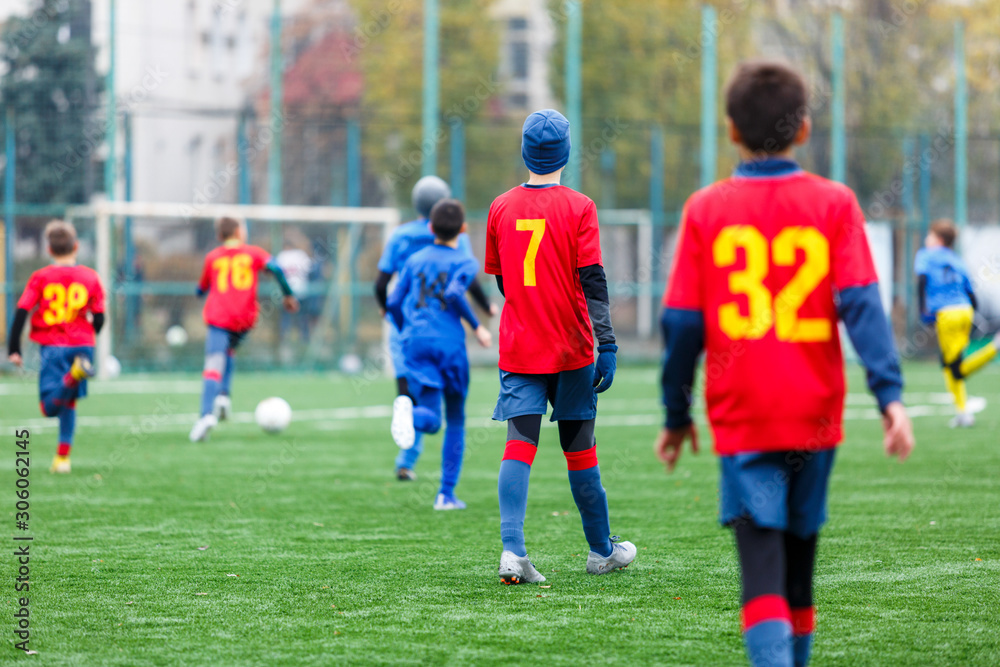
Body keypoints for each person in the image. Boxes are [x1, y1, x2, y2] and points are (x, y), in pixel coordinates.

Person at [655, 61, 915, 667]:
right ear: (804, 130)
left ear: (730, 131)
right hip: (814, 412)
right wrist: (890, 398)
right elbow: (862, 307)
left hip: (744, 413)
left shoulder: (705, 209)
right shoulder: (835, 203)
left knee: (763, 570)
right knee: (800, 569)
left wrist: (675, 414)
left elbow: (683, 324)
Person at [485, 109, 636, 585]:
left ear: (525, 151)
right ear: (566, 154)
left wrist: (530, 310)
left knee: (519, 447)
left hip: (520, 348)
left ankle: (513, 552)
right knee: (581, 453)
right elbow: (593, 280)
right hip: (571, 349)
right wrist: (606, 343)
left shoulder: (500, 207)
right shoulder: (580, 207)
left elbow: (506, 281)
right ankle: (600, 551)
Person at [374, 175, 498, 481]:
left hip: (408, 326)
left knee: (409, 396)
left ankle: (406, 461)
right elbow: (465, 279)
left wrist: (389, 313)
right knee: (449, 414)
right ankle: (427, 475)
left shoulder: (401, 236)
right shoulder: (460, 238)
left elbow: (382, 284)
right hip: (445, 332)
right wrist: (484, 311)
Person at [7, 220, 105, 473]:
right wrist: (89, 334)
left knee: (48, 408)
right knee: (69, 403)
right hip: (83, 345)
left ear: (49, 250)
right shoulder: (90, 276)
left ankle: (73, 376)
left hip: (53, 346)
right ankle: (62, 458)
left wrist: (13, 347)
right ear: (77, 246)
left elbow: (22, 311)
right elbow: (100, 316)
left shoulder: (41, 277)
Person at [189, 217, 299, 442]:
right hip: (245, 319)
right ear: (239, 232)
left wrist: (200, 292)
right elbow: (276, 268)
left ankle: (205, 415)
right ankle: (224, 396)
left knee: (213, 365)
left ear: (220, 235)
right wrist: (288, 294)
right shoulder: (254, 253)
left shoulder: (213, 257)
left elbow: (201, 288)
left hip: (220, 317)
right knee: (229, 350)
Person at [915, 219, 999, 427]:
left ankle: (994, 347)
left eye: (930, 235)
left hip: (947, 315)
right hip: (964, 311)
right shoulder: (956, 259)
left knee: (956, 369)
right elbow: (970, 290)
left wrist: (923, 310)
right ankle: (963, 413)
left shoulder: (925, 255)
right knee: (948, 363)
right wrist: (973, 311)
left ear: (939, 239)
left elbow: (922, 282)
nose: (927, 239)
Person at [276, 240, 313, 343]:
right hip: (300, 290)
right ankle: (304, 340)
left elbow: (277, 273)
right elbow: (309, 269)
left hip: (286, 294)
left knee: (287, 318)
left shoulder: (282, 255)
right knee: (302, 317)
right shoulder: (300, 255)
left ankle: (284, 341)